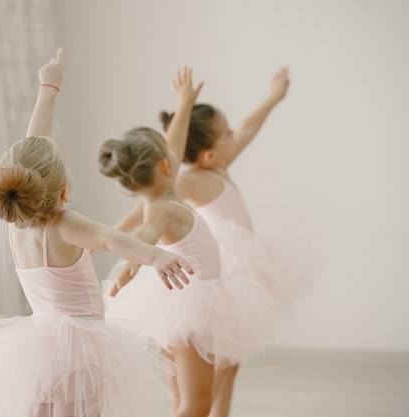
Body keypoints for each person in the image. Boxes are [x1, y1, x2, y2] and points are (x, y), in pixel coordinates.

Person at [0, 48, 193, 417]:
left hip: (36, 345)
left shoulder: (15, 220)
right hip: (80, 348)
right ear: (63, 192)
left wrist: (49, 87)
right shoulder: (66, 224)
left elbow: (33, 148)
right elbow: (114, 240)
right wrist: (157, 255)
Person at [115, 67, 312, 417]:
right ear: (209, 154)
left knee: (230, 359)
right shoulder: (192, 179)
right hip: (219, 268)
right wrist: (116, 232)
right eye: (227, 134)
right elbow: (151, 203)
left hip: (233, 264)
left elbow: (249, 128)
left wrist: (272, 97)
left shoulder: (218, 163)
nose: (235, 135)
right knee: (214, 364)